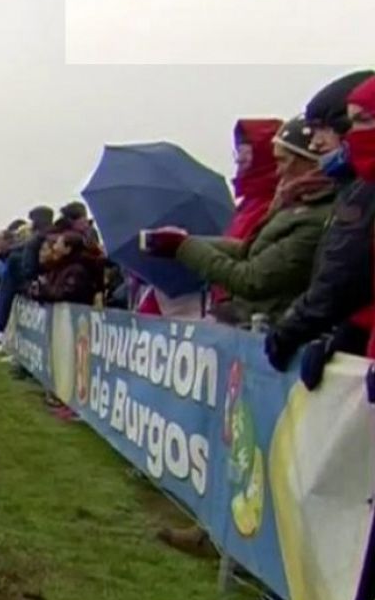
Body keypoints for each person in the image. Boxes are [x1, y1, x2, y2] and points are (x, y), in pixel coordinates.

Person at [141, 117, 337, 328]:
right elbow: (248, 249)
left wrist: (183, 247)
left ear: (307, 161)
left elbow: (252, 278)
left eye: (281, 161)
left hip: (268, 322)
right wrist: (182, 242)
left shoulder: (304, 213)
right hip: (247, 316)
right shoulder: (282, 205)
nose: (278, 170)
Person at [263, 70, 375, 381]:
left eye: (364, 121)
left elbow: (344, 275)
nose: (315, 142)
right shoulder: (352, 189)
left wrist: (291, 331)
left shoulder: (361, 194)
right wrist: (349, 333)